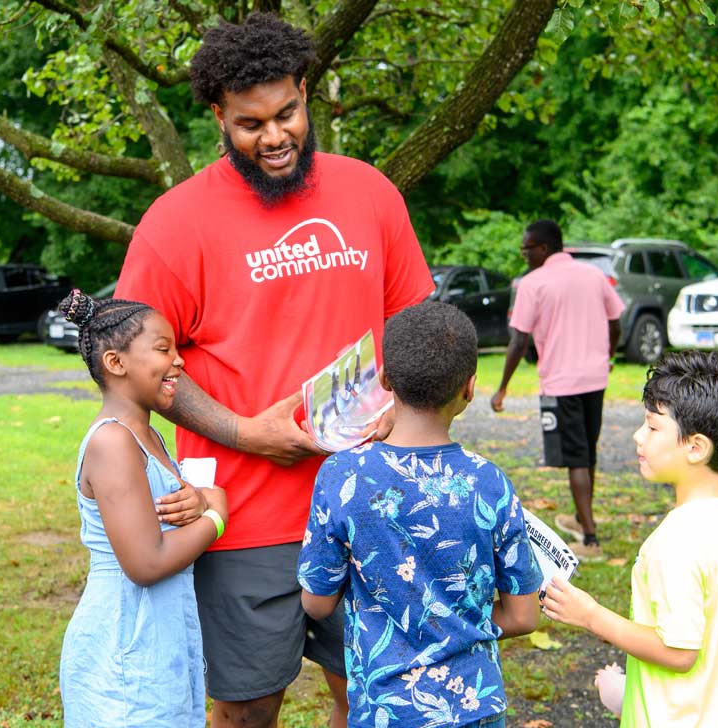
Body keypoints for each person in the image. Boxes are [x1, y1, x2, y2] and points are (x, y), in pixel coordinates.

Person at [114, 12, 434, 728]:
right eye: (250, 124)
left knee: (374, 695)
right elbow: (133, 367)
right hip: (242, 516)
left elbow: (418, 328)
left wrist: (409, 412)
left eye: (286, 112)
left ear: (306, 91)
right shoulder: (175, 223)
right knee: (248, 705)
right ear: (217, 117)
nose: (275, 136)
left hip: (370, 501)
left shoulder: (371, 194)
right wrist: (243, 431)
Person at [297, 301, 543, 728]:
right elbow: (523, 615)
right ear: (469, 387)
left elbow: (317, 603)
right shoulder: (489, 482)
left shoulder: (342, 475)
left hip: (385, 709)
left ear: (386, 379)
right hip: (475, 706)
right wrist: (456, 627)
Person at [543, 350, 718, 727]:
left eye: (652, 426)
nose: (638, 435)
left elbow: (678, 650)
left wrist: (590, 615)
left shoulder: (677, 542)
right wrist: (625, 692)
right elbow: (709, 645)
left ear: (696, 447)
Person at [57, 289, 229, 727]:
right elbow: (145, 563)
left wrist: (195, 500)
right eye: (162, 349)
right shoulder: (113, 441)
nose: (179, 361)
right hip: (124, 645)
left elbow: (160, 514)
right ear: (116, 363)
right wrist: (216, 516)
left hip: (158, 638)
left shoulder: (148, 436)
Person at [490, 219, 624, 561]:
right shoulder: (593, 275)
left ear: (544, 248)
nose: (524, 255)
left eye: (526, 249)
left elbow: (518, 340)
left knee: (575, 456)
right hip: (596, 377)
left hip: (562, 382)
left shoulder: (533, 283)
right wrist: (607, 355)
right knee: (587, 450)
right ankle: (582, 516)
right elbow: (616, 322)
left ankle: (590, 538)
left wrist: (502, 388)